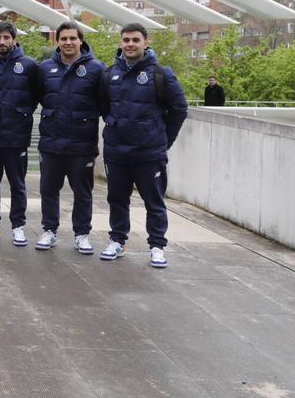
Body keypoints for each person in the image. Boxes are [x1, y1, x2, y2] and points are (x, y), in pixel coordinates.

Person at [99, 23, 188, 268]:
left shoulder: (160, 74)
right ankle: (117, 241)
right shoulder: (108, 75)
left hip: (149, 153)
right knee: (117, 199)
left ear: (145, 43)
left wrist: (163, 140)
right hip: (117, 152)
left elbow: (179, 109)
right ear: (121, 43)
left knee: (154, 202)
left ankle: (157, 246)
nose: (130, 44)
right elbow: (104, 107)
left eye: (135, 40)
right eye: (126, 40)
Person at [36, 22, 106, 255]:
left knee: (83, 193)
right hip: (51, 143)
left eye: (72, 38)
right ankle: (49, 230)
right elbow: (39, 96)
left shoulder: (96, 69)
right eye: (64, 38)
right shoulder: (45, 68)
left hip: (81, 145)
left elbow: (104, 103)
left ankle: (81, 234)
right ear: (57, 41)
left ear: (80, 41)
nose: (68, 42)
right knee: (48, 190)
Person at [0, 21, 40, 246]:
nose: (2, 41)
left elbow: (35, 96)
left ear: (14, 39)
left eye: (6, 37)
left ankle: (18, 226)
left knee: (17, 184)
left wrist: (20, 114)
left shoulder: (29, 65)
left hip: (16, 136)